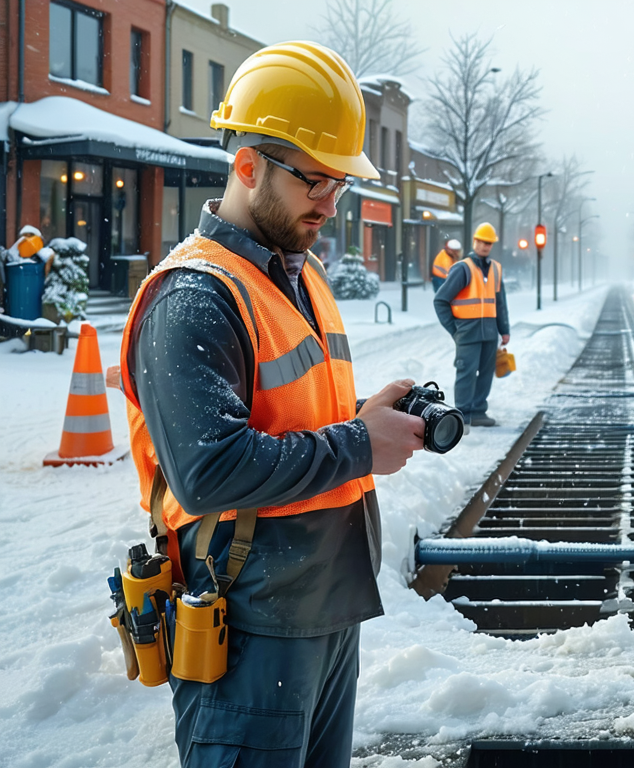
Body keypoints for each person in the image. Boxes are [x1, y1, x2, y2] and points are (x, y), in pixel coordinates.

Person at [118, 42, 424, 766]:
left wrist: (364, 419)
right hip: (248, 625)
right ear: (249, 166)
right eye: (315, 179)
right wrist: (359, 446)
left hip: (321, 606)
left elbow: (289, 421)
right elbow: (209, 471)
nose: (331, 201)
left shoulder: (299, 278)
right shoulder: (192, 297)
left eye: (341, 183)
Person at [434, 222, 510, 427]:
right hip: (467, 332)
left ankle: (478, 412)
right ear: (475, 241)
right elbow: (440, 301)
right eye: (482, 242)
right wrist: (455, 330)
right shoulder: (462, 268)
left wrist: (504, 330)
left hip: (489, 332)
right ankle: (463, 415)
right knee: (466, 372)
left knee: (486, 373)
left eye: (489, 243)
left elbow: (500, 302)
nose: (485, 246)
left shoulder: (495, 269)